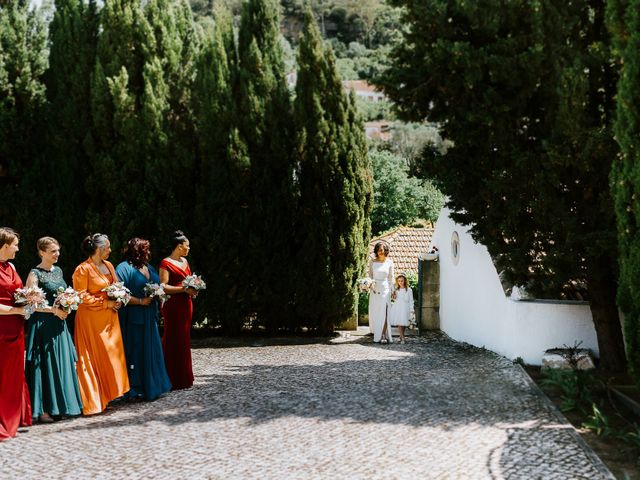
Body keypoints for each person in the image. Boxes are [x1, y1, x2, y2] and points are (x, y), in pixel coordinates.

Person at [24, 237, 82, 422]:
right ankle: (43, 410)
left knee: (61, 363)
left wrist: (68, 303)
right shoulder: (35, 274)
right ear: (42, 252)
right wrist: (53, 310)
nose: (57, 254)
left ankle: (62, 405)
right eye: (53, 251)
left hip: (59, 325)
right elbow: (30, 303)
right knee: (46, 364)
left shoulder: (58, 270)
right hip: (43, 325)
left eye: (58, 250)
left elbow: (62, 293)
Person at [72, 233, 129, 415]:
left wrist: (119, 297)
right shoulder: (83, 269)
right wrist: (106, 303)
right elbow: (80, 296)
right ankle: (94, 400)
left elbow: (116, 285)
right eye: (108, 247)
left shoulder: (109, 265)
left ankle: (107, 394)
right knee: (93, 357)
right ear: (99, 249)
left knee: (110, 357)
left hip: (110, 318)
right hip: (91, 318)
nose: (110, 250)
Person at [116, 238, 171, 401]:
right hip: (134, 318)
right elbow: (119, 293)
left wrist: (157, 294)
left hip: (149, 317)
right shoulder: (123, 268)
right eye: (145, 250)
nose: (148, 253)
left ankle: (154, 385)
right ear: (137, 251)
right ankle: (135, 388)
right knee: (136, 352)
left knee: (152, 351)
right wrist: (139, 301)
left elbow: (157, 284)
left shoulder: (149, 267)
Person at [0, 228, 31, 440]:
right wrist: (17, 310)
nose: (18, 248)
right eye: (16, 244)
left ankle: (13, 416)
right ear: (4, 245)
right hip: (1, 330)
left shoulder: (11, 266)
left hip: (16, 328)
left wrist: (28, 300)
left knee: (14, 374)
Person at [159, 230, 197, 390]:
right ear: (179, 246)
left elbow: (188, 281)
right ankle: (170, 378)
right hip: (173, 306)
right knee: (173, 338)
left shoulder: (185, 262)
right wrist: (183, 290)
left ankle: (184, 377)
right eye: (187, 246)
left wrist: (194, 289)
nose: (189, 248)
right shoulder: (165, 263)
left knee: (184, 339)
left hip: (186, 304)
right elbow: (163, 287)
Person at [368, 241, 394, 344]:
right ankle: (376, 332)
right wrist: (369, 284)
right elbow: (370, 276)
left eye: (382, 250)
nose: (380, 252)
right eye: (379, 250)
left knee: (385, 312)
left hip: (385, 289)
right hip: (374, 289)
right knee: (376, 312)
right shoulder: (372, 262)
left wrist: (393, 290)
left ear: (386, 251)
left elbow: (391, 278)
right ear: (376, 251)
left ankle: (383, 335)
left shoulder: (390, 262)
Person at [389, 274, 414, 344]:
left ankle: (401, 336)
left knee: (404, 322)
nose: (400, 282)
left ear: (405, 281)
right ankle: (402, 337)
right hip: (398, 307)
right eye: (399, 281)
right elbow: (394, 299)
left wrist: (412, 309)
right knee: (399, 322)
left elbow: (411, 300)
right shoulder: (397, 290)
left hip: (406, 307)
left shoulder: (409, 290)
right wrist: (393, 295)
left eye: (402, 281)